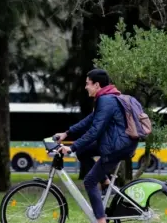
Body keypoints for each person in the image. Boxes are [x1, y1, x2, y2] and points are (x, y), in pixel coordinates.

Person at [53, 69, 137, 223]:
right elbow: (90, 120)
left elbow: (95, 131)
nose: (85, 87)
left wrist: (71, 147)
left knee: (90, 181)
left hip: (116, 148)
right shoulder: (107, 98)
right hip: (115, 143)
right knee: (83, 151)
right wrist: (67, 133)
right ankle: (105, 183)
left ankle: (100, 220)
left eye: (87, 84)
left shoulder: (106, 100)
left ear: (97, 84)